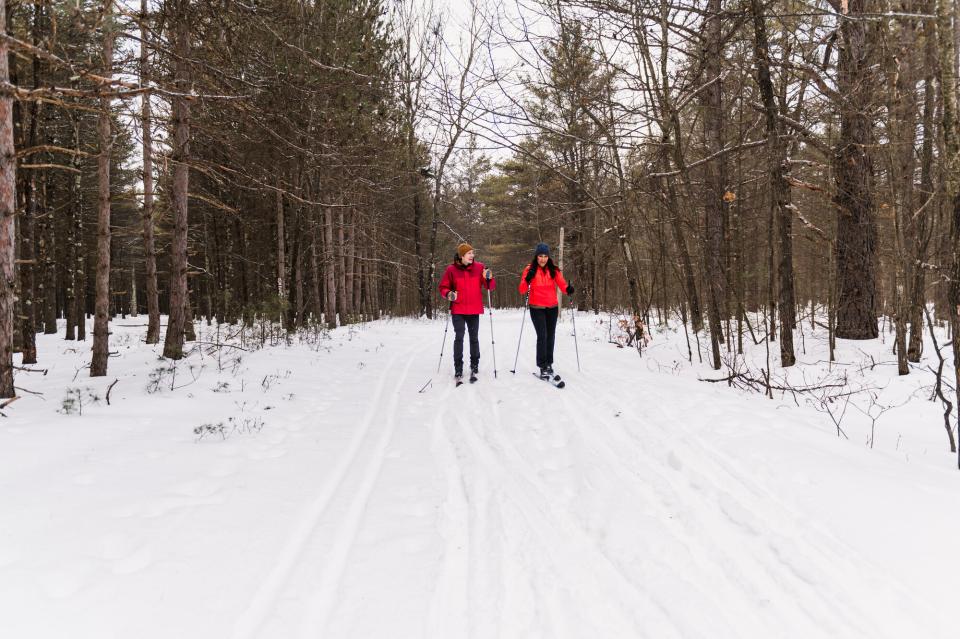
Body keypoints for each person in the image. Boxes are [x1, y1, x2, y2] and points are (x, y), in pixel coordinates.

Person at [438, 243, 496, 383]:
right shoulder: (451, 269)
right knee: (459, 337)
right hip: (458, 309)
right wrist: (449, 294)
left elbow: (490, 287)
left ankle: (474, 364)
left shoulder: (479, 267)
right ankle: (458, 367)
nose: (472, 255)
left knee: (474, 338)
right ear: (462, 256)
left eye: (472, 253)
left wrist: (489, 278)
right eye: (469, 253)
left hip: (474, 309)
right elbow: (443, 287)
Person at [518, 242, 574, 379]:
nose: (543, 259)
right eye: (540, 256)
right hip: (537, 308)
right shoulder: (529, 269)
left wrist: (568, 289)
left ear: (548, 257)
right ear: (536, 257)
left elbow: (562, 283)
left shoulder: (553, 269)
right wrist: (528, 279)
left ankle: (549, 364)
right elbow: (522, 289)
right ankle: (542, 365)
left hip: (552, 308)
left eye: (545, 256)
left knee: (551, 336)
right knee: (542, 336)